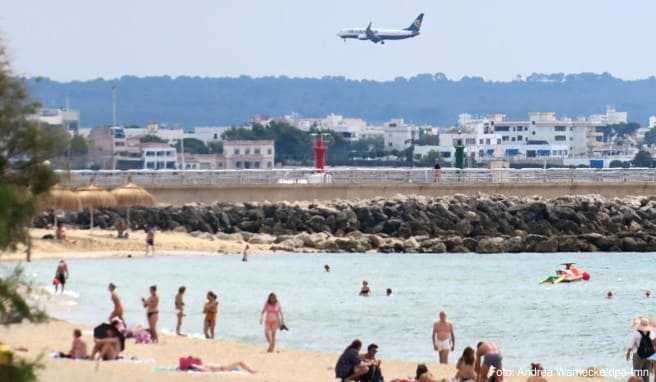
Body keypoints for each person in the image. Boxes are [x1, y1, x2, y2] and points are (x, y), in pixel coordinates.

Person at [626, 317, 655, 382]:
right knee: (646, 376)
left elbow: (631, 345)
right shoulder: (651, 333)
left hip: (638, 356)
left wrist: (628, 353)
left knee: (637, 375)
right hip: (649, 356)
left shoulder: (636, 333)